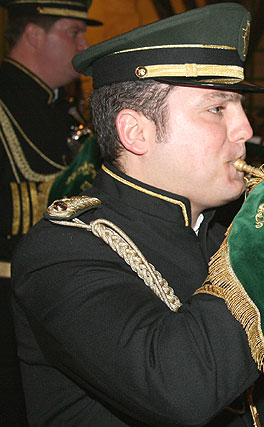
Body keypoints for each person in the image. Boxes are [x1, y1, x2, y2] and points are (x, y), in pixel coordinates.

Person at [11, 4, 264, 425]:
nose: (244, 129)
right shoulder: (62, 251)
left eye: (239, 108)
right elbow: (181, 388)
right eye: (217, 108)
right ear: (135, 132)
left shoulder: (216, 232)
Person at [0, 1, 101, 424]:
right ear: (34, 35)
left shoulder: (57, 106)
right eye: (72, 32)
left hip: (61, 283)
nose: (84, 45)